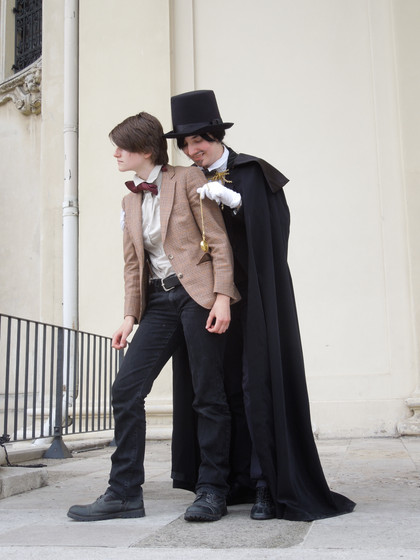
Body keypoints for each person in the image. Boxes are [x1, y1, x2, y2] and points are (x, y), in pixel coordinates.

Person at [165, 90, 356, 521]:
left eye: (199, 141)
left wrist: (239, 204)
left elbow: (276, 232)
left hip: (256, 298)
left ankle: (267, 482)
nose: (193, 150)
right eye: (186, 144)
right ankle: (229, 481)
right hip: (209, 299)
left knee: (258, 386)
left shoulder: (252, 172)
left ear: (216, 135)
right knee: (218, 386)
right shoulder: (187, 180)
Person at [67, 111, 240, 523]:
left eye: (121, 148)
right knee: (126, 389)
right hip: (159, 304)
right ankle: (124, 492)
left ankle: (213, 490)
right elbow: (133, 265)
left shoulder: (188, 179)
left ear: (145, 150)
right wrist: (129, 316)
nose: (115, 154)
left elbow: (218, 241)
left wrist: (221, 298)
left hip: (197, 296)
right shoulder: (129, 201)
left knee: (207, 393)